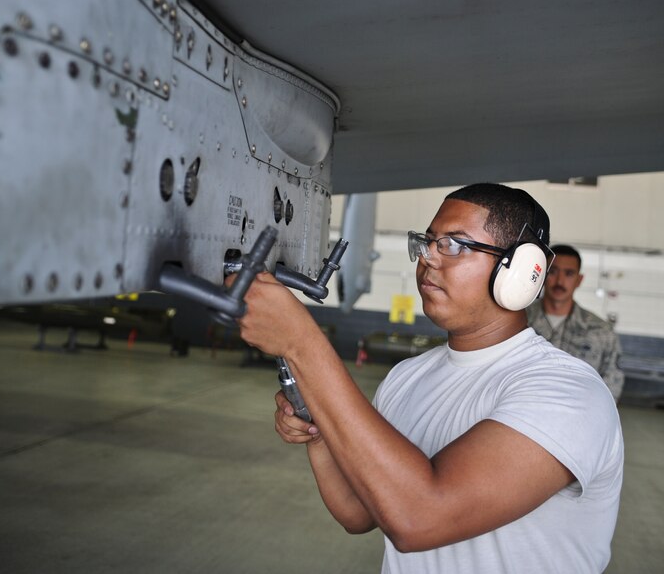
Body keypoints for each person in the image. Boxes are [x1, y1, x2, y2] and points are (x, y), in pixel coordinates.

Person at [234, 183, 623, 573]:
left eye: (454, 245)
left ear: (521, 271)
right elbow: (359, 511)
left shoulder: (570, 393)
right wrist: (317, 430)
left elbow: (420, 518)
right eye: (427, 242)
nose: (428, 260)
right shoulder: (406, 377)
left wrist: (304, 343)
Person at [527, 244, 625, 401]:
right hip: (521, 415)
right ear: (542, 275)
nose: (560, 281)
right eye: (552, 272)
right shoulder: (518, 321)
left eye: (569, 274)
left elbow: (612, 384)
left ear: (579, 280)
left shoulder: (600, 331)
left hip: (576, 420)